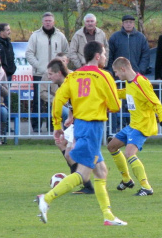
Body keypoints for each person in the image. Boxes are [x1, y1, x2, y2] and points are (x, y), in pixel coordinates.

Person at [35, 41, 126, 226]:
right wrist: (104, 105)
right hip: (93, 127)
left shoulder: (73, 76)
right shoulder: (104, 76)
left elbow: (58, 100)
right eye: (105, 53)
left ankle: (108, 215)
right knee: (83, 174)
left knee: (101, 172)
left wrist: (56, 125)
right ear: (98, 56)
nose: (106, 57)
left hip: (81, 126)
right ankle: (47, 198)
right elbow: (116, 105)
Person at [107, 57, 162, 196]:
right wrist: (109, 94)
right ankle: (126, 180)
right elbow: (125, 93)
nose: (116, 75)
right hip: (133, 125)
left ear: (123, 69)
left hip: (142, 125)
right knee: (112, 146)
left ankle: (146, 187)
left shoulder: (141, 82)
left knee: (129, 153)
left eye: (116, 72)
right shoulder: (130, 82)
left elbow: (155, 102)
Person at [45, 58, 95, 194]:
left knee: (70, 154)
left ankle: (86, 184)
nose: (48, 77)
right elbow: (75, 102)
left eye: (50, 74)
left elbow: (82, 100)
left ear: (59, 73)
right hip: (77, 120)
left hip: (85, 121)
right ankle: (82, 181)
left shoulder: (73, 81)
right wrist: (70, 116)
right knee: (60, 143)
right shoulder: (65, 83)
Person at [25, 12, 69, 133]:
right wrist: (41, 68)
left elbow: (66, 52)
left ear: (53, 22)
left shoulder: (60, 36)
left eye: (50, 20)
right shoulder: (35, 36)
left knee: (55, 98)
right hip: (40, 74)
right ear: (42, 22)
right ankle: (36, 126)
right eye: (46, 21)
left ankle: (52, 126)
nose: (48, 22)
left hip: (57, 75)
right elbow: (29, 53)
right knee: (38, 100)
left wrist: (60, 68)